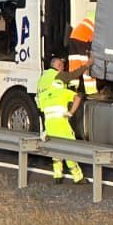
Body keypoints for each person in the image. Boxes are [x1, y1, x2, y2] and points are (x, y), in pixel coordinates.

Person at [35, 56, 85, 184]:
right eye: (62, 66)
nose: (63, 69)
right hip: (61, 122)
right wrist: (71, 113)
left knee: (55, 148)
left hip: (49, 121)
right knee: (69, 148)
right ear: (57, 66)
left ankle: (57, 175)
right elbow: (74, 82)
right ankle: (77, 176)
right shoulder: (60, 86)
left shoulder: (43, 79)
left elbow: (40, 105)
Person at [66, 9, 97, 95]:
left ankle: (72, 89)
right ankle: (91, 91)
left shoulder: (93, 13)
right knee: (87, 64)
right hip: (83, 37)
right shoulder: (100, 15)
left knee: (75, 63)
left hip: (74, 36)